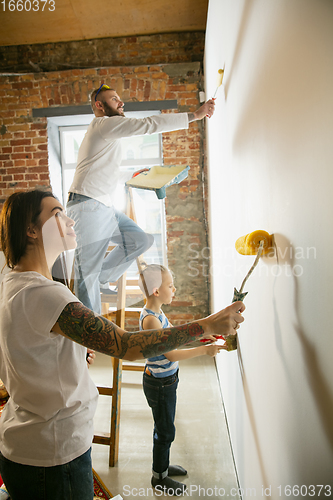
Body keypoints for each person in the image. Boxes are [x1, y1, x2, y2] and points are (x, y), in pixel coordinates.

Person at [0, 190, 244, 500]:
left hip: (23, 446)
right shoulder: (45, 294)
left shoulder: (11, 281)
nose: (69, 218)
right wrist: (206, 325)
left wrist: (71, 353)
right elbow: (127, 346)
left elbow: (24, 349)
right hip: (52, 455)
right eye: (57, 213)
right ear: (31, 230)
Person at [67, 84, 216, 314]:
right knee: (86, 276)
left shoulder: (107, 134)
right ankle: (88, 343)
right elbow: (148, 125)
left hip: (103, 206)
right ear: (99, 105)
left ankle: (102, 276)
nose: (121, 103)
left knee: (140, 240)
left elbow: (106, 174)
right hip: (87, 205)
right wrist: (195, 115)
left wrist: (135, 176)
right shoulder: (103, 125)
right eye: (114, 99)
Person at [138, 264, 229, 496]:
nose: (174, 289)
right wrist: (204, 351)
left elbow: (173, 339)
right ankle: (159, 477)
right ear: (157, 291)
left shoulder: (158, 313)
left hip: (167, 380)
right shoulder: (151, 321)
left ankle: (163, 466)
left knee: (165, 426)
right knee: (165, 430)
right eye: (170, 285)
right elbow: (171, 353)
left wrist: (201, 335)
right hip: (159, 384)